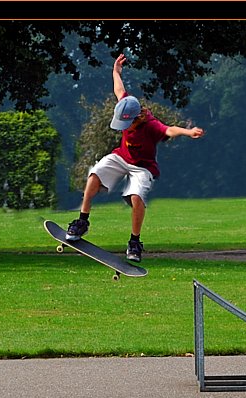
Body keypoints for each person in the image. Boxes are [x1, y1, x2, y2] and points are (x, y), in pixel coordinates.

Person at [66, 53, 205, 263]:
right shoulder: (126, 104)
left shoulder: (150, 125)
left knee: (136, 196)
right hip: (122, 157)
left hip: (143, 167)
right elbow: (119, 89)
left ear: (136, 118)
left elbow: (169, 130)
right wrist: (116, 71)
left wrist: (188, 132)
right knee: (94, 175)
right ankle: (82, 221)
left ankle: (134, 242)